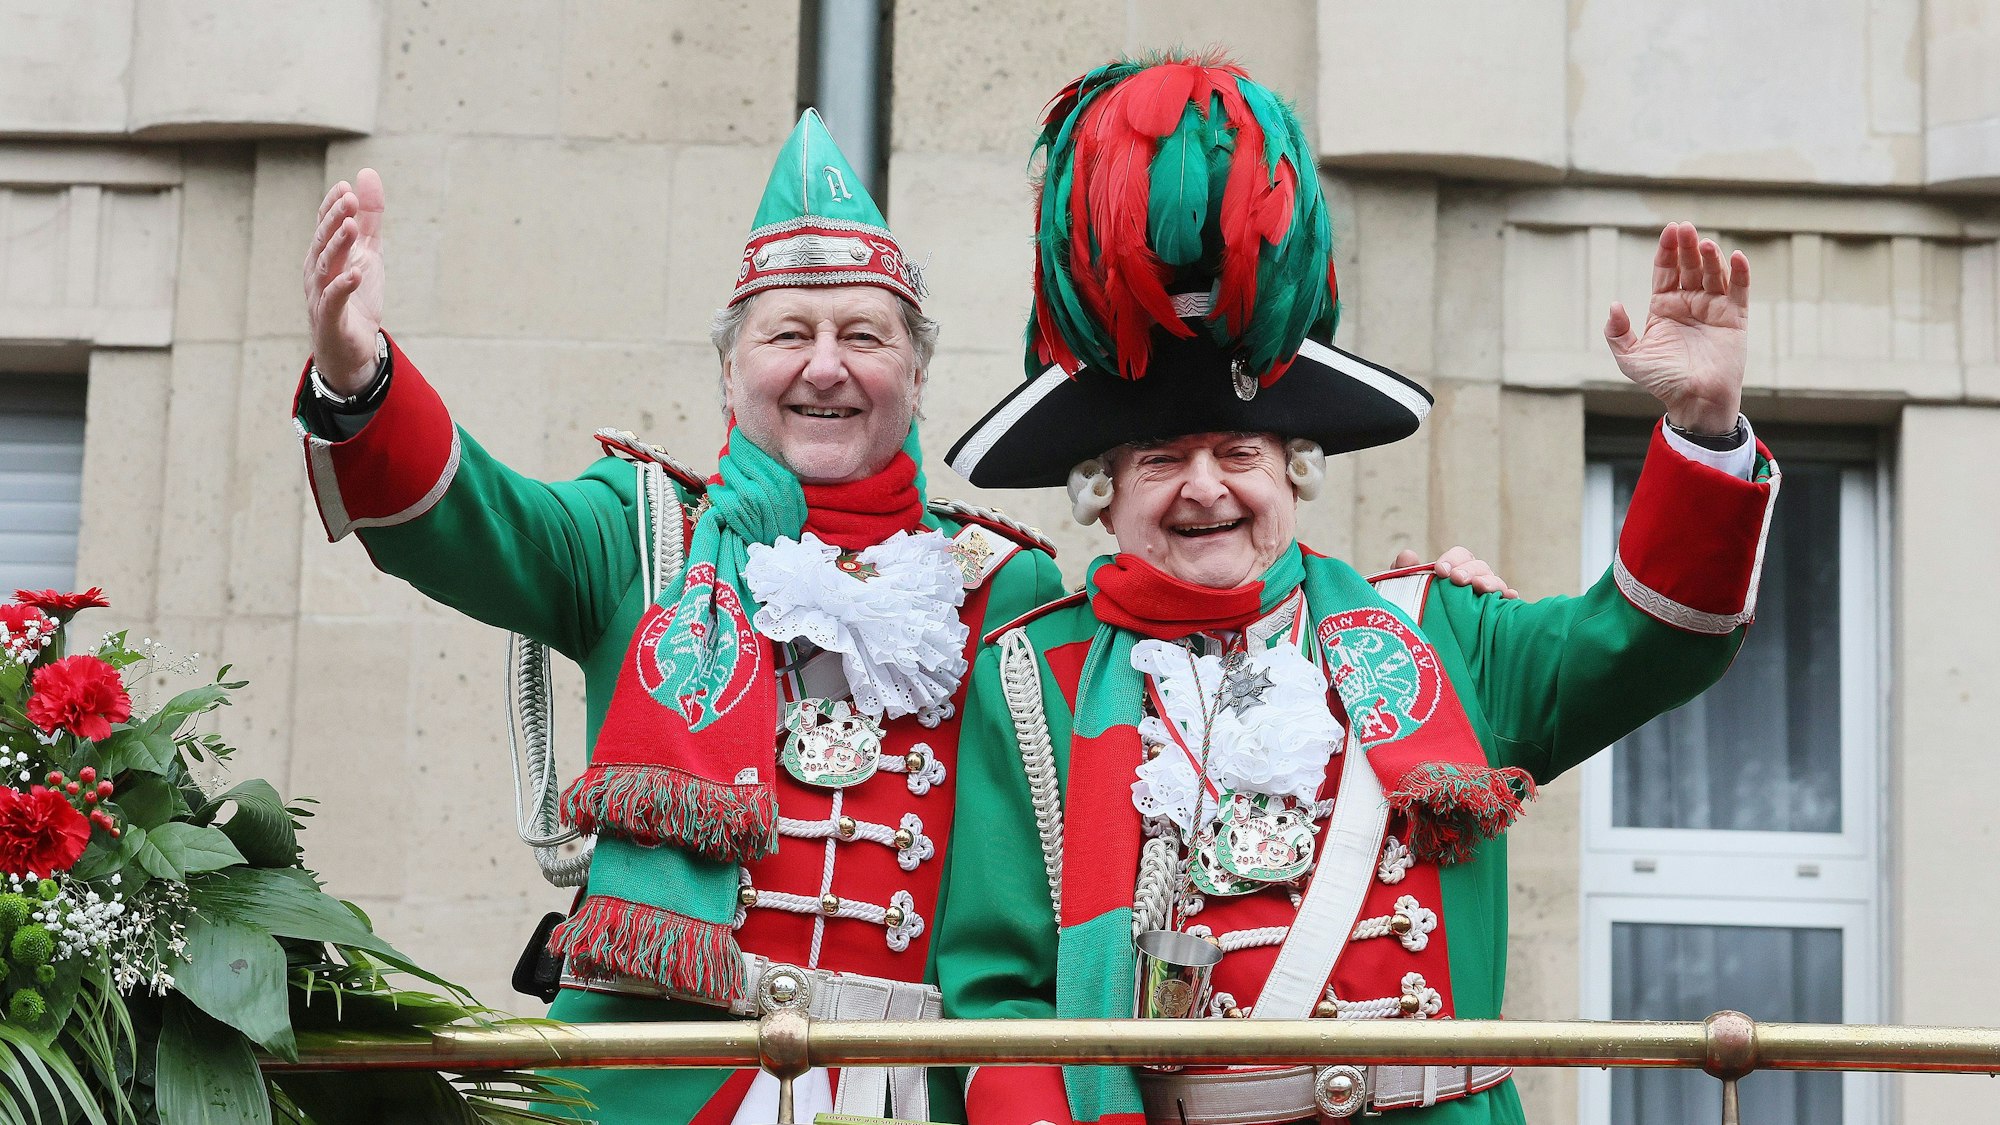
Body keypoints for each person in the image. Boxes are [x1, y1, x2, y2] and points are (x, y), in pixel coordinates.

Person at [934, 56, 1777, 1125]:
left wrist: (1701, 433)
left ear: (1295, 469)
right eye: (1159, 457)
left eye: (1238, 450)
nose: (1205, 488)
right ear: (1102, 494)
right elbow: (993, 1009)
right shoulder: (1031, 682)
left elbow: (1654, 640)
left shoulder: (1436, 633)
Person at [294, 111, 1072, 1125]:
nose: (824, 366)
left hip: (896, 1095)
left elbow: (1021, 918)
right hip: (656, 1086)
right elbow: (475, 521)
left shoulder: (999, 587)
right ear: (728, 370)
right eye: (786, 334)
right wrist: (359, 379)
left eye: (863, 337)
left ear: (916, 377)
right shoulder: (645, 534)